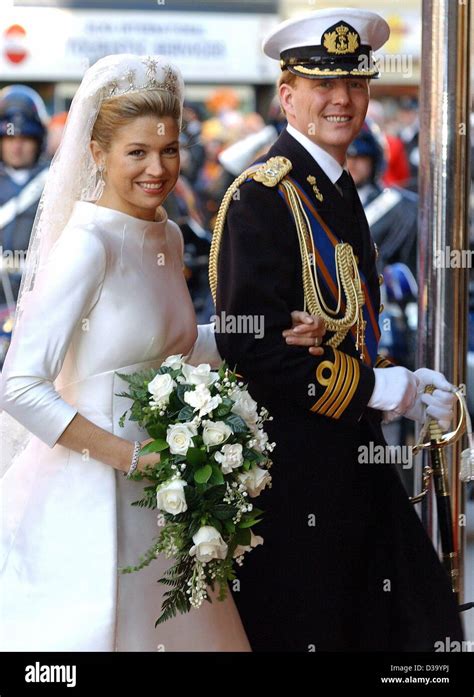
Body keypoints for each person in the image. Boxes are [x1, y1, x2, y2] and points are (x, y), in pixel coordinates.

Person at [0, 54, 325, 652]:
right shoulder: (86, 245)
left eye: (169, 150)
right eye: (137, 153)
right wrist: (130, 458)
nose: (158, 169)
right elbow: (18, 385)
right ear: (97, 154)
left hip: (165, 497)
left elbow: (173, 350)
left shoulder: (168, 234)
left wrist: (272, 333)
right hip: (90, 499)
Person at [211, 9, 464, 651]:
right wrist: (380, 390)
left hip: (349, 462)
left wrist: (389, 384)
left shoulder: (333, 185)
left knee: (421, 623)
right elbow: (252, 345)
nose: (341, 99)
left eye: (353, 84)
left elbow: (344, 321)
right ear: (287, 95)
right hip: (295, 479)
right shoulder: (261, 195)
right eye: (322, 84)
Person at [347, 119, 418, 275]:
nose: (351, 164)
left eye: (359, 157)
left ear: (374, 160)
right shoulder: (321, 201)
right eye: (345, 156)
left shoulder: (399, 207)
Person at [0, 85, 49, 306]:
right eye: (9, 139)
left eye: (25, 138)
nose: (16, 147)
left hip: (38, 299)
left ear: (38, 141)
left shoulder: (56, 180)